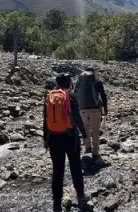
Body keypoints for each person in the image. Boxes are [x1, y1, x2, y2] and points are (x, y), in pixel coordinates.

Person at [43, 73, 87, 212]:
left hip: (54, 139)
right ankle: (80, 195)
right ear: (69, 82)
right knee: (75, 166)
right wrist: (85, 134)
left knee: (57, 170)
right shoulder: (70, 96)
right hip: (70, 138)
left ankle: (57, 203)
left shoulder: (49, 97)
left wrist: (46, 139)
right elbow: (77, 119)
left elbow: (45, 121)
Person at [74, 68, 108, 162]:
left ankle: (88, 148)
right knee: (95, 131)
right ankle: (95, 154)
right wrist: (105, 108)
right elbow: (103, 94)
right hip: (95, 109)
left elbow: (74, 94)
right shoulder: (96, 79)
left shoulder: (80, 80)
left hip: (82, 109)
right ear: (93, 72)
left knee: (86, 129)